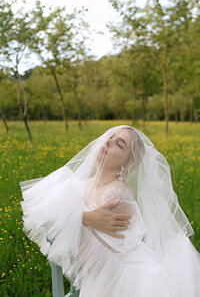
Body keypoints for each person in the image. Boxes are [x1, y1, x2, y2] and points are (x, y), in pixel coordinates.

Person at [19, 125, 200, 297]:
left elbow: (99, 261)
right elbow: (39, 215)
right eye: (110, 137)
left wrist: (76, 220)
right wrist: (86, 218)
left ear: (127, 164)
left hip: (120, 280)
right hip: (100, 277)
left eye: (119, 145)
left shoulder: (117, 194)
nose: (108, 142)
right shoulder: (84, 186)